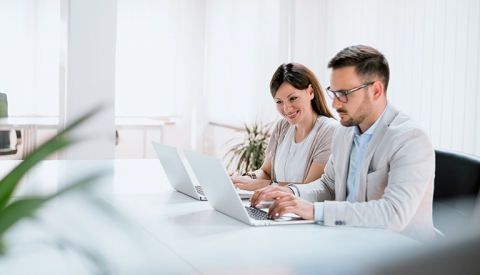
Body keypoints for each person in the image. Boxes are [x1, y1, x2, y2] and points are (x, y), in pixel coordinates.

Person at [250, 45, 437, 242]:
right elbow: (328, 185)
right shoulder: (344, 132)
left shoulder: (410, 139)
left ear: (375, 90)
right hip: (348, 243)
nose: (335, 104)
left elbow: (393, 214)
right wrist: (291, 192)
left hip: (401, 256)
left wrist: (315, 210)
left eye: (345, 94)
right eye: (334, 93)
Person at [231, 63, 338, 191]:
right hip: (273, 206)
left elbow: (311, 190)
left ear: (310, 92)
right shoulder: (283, 126)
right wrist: (246, 179)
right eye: (279, 102)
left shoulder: (329, 131)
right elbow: (266, 172)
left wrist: (262, 185)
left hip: (300, 210)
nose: (287, 109)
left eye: (293, 98)